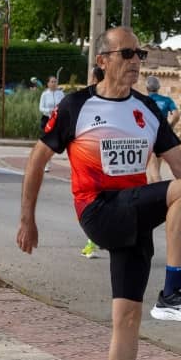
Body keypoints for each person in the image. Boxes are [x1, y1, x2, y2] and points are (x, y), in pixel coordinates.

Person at [16, 26, 181, 360]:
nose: (136, 62)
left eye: (140, 54)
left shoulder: (146, 109)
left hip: (133, 216)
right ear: (103, 60)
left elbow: (180, 162)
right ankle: (172, 291)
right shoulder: (77, 105)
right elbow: (37, 159)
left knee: (127, 318)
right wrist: (28, 219)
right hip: (98, 210)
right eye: (127, 54)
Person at [80, 65, 104, 259]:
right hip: (99, 160)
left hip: (94, 161)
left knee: (92, 201)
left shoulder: (87, 101)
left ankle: (93, 243)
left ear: (95, 79)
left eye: (90, 77)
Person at [144, 75, 180, 182]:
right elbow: (176, 115)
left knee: (153, 169)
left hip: (149, 135)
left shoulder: (143, 101)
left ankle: (158, 191)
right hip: (162, 135)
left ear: (147, 88)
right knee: (155, 168)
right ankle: (151, 190)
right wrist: (170, 127)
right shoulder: (167, 100)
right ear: (158, 87)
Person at [38, 75, 65, 173]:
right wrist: (49, 111)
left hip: (58, 120)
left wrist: (59, 112)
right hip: (47, 120)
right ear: (48, 83)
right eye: (52, 82)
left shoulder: (60, 93)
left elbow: (64, 105)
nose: (54, 84)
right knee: (47, 143)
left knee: (58, 142)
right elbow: (41, 108)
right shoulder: (44, 94)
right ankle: (46, 164)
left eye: (55, 82)